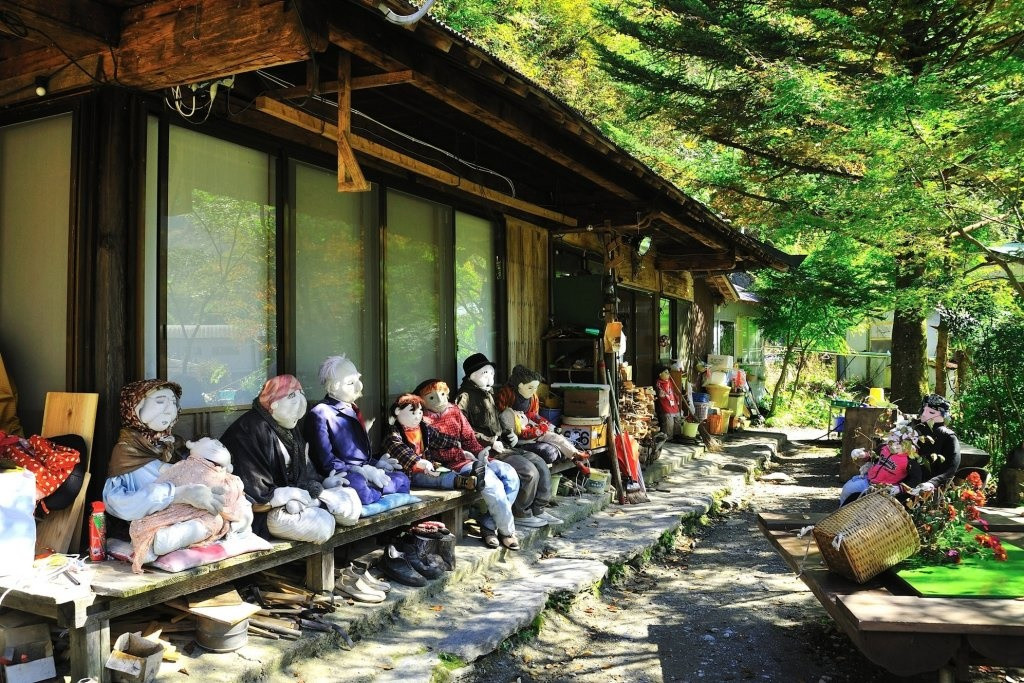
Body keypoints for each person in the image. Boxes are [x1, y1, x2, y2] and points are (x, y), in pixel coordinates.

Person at [104, 379, 229, 556]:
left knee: (215, 519)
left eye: (173, 403)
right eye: (160, 401)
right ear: (135, 408)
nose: (169, 409)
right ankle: (160, 540)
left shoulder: (172, 443)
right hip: (150, 521)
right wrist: (178, 494)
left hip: (185, 516)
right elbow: (116, 503)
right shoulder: (127, 451)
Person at [219, 375, 336, 543]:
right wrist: (284, 495)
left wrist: (323, 482)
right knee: (322, 525)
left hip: (294, 499)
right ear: (274, 405)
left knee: (348, 501)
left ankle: (318, 505)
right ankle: (317, 507)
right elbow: (254, 495)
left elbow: (305, 469)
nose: (298, 414)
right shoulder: (250, 430)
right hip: (261, 513)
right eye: (292, 399)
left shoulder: (289, 426)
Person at [455, 354, 561, 532]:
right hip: (485, 450)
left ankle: (538, 509)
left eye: (491, 374)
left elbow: (497, 420)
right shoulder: (464, 397)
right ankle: (520, 513)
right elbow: (463, 430)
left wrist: (508, 432)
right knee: (528, 471)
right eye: (484, 373)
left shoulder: (488, 394)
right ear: (472, 375)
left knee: (540, 463)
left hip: (504, 444)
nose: (490, 378)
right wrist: (490, 441)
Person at [127, 437, 252, 572]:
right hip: (176, 507)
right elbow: (165, 481)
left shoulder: (228, 478)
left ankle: (168, 539)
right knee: (213, 521)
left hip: (202, 512)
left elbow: (230, 501)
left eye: (222, 445)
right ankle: (159, 541)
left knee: (214, 521)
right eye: (210, 440)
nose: (218, 444)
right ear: (192, 445)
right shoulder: (183, 465)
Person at [304, 355, 411, 505]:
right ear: (333, 386)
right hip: (341, 476)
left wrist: (375, 464)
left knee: (402, 478)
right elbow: (325, 462)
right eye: (350, 383)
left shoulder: (352, 408)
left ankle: (376, 492)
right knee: (358, 486)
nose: (358, 386)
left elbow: (360, 455)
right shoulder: (321, 413)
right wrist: (359, 470)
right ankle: (377, 494)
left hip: (364, 472)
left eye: (358, 379)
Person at [379, 393, 478, 492]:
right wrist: (418, 461)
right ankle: (463, 481)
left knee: (444, 471)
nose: (418, 417)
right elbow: (399, 449)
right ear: (398, 411)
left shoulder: (423, 428)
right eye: (413, 413)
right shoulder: (393, 432)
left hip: (428, 468)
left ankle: (472, 476)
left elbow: (439, 438)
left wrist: (458, 446)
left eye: (420, 412)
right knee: (435, 479)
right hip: (408, 474)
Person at [495, 364, 590, 464]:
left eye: (535, 388)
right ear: (520, 385)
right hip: (518, 434)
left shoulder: (533, 398)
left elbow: (535, 416)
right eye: (530, 388)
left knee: (557, 438)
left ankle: (576, 454)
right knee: (547, 450)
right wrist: (509, 434)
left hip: (532, 429)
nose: (533, 391)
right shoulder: (507, 394)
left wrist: (549, 427)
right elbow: (502, 417)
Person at [838, 421, 923, 506]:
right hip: (868, 480)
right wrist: (862, 454)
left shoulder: (910, 461)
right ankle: (842, 513)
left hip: (885, 489)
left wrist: (899, 488)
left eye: (896, 442)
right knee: (848, 488)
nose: (890, 444)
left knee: (872, 507)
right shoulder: (883, 448)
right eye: (890, 439)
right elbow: (872, 456)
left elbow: (915, 479)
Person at [913, 393, 961, 493]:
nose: (924, 414)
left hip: (929, 486)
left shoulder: (948, 436)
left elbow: (952, 466)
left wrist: (933, 482)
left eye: (931, 412)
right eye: (924, 410)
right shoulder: (915, 428)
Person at [655, 365, 681, 440]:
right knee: (669, 422)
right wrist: (660, 393)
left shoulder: (669, 382)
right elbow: (660, 393)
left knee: (677, 420)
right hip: (666, 405)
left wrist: (676, 398)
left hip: (673, 404)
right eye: (666, 372)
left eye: (668, 372)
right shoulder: (659, 383)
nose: (668, 374)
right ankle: (668, 437)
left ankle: (677, 436)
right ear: (660, 374)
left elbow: (672, 391)